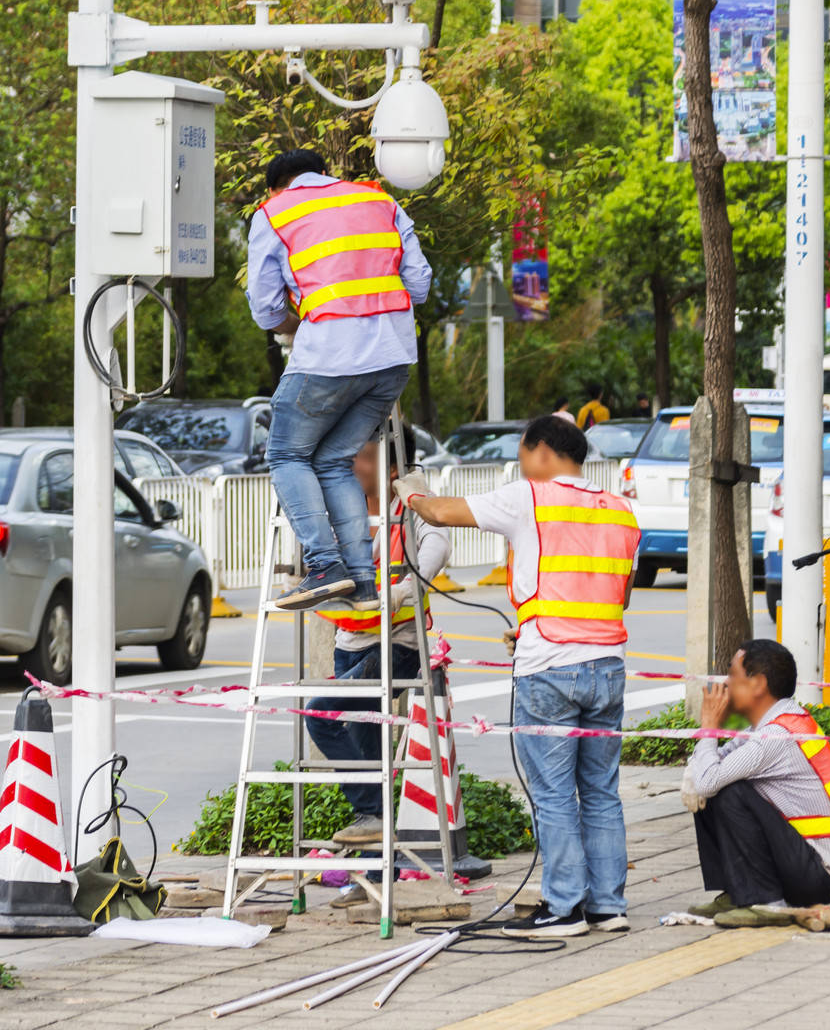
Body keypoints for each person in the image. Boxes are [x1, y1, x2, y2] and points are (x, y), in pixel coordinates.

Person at [399, 416, 636, 938]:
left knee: (553, 794)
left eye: (524, 454)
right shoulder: (621, 510)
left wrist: (410, 492)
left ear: (542, 451)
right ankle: (607, 907)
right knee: (601, 792)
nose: (522, 465)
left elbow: (440, 512)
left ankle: (564, 909)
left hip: (549, 667)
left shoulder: (531, 497)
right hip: (607, 666)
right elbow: (617, 595)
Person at [247, 149, 432, 609]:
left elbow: (266, 309)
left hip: (328, 356)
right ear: (325, 175)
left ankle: (324, 565)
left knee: (286, 454)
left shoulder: (274, 212)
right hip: (392, 358)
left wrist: (299, 322)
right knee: (333, 460)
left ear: (276, 188)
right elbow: (420, 284)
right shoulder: (380, 200)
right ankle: (362, 582)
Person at [306, 426, 450, 898]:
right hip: (350, 642)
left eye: (364, 457)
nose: (353, 465)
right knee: (369, 753)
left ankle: (371, 814)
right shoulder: (343, 507)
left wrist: (405, 588)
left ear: (391, 467)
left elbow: (439, 546)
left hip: (398, 644)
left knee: (321, 713)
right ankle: (376, 873)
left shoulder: (411, 506)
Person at [677, 639, 830, 927]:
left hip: (818, 875)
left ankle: (764, 902)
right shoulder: (770, 725)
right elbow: (709, 769)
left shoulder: (775, 737)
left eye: (733, 674)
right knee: (715, 784)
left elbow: (708, 781)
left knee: (728, 791)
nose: (726, 684)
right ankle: (739, 892)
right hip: (806, 863)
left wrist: (709, 726)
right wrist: (698, 768)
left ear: (758, 684)